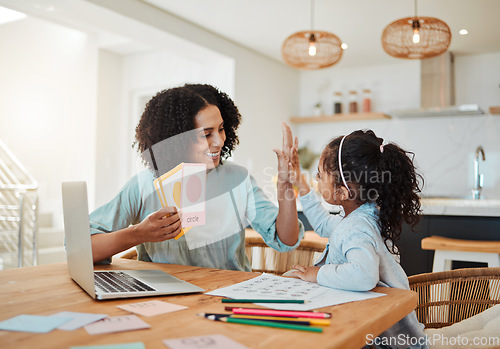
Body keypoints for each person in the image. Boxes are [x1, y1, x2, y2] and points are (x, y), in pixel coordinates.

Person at [90, 84, 304, 270]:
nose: (219, 141)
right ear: (176, 139)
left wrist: (285, 185)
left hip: (229, 296)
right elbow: (83, 247)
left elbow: (286, 240)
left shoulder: (238, 179)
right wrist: (138, 234)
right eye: (206, 134)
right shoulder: (144, 185)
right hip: (169, 302)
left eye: (221, 129)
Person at [284, 124, 427, 348]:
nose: (317, 181)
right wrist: (300, 183)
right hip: (384, 327)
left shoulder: (356, 227)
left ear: (343, 192)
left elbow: (363, 276)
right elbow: (323, 224)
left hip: (390, 341)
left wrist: (317, 273)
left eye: (319, 176)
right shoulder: (361, 216)